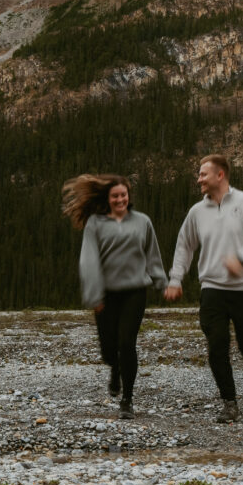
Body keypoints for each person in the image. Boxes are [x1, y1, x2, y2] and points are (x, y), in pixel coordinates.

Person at [164, 154, 243, 423]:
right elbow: (184, 246)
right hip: (212, 287)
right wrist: (175, 279)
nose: (199, 179)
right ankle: (230, 404)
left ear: (220, 175)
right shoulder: (196, 213)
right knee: (217, 346)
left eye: (203, 174)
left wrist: (242, 257)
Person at [62, 173, 167, 419]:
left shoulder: (142, 222)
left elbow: (153, 255)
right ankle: (115, 368)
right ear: (108, 199)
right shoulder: (95, 224)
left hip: (134, 292)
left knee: (127, 343)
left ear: (128, 196)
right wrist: (93, 295)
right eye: (115, 196)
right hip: (107, 295)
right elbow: (88, 260)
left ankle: (127, 400)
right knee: (109, 351)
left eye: (123, 195)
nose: (120, 199)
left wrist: (163, 282)